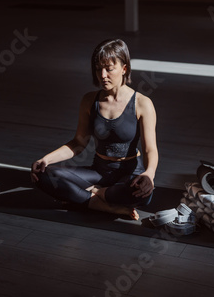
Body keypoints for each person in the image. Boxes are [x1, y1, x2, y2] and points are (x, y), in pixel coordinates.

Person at [30, 39, 158, 220]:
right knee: (44, 175)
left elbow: (149, 149)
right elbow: (77, 144)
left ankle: (88, 195)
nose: (103, 75)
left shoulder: (142, 103)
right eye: (98, 69)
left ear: (124, 68)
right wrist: (46, 159)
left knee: (143, 194)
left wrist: (149, 174)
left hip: (129, 174)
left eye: (109, 68)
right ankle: (103, 204)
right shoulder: (89, 100)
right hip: (99, 171)